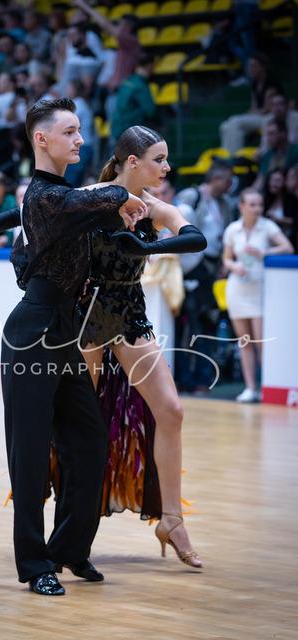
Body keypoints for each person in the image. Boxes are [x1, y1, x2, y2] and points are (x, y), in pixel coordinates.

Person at [0, 97, 147, 596]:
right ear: (41, 139)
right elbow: (80, 202)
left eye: (80, 130)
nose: (80, 139)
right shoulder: (46, 196)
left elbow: (12, 216)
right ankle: (34, 562)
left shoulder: (59, 196)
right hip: (31, 333)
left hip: (64, 332)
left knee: (89, 440)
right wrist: (120, 195)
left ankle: (68, 549)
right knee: (28, 452)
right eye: (69, 132)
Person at [77, 126, 206, 568]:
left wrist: (147, 241)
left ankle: (171, 519)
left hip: (129, 312)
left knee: (171, 410)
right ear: (132, 162)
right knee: (80, 420)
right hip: (85, 315)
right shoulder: (90, 197)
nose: (167, 166)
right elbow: (34, 222)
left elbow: (196, 238)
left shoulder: (155, 207)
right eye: (159, 159)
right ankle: (73, 526)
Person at [222, 187, 293, 402]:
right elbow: (226, 259)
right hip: (237, 288)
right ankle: (250, 388)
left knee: (262, 341)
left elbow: (288, 248)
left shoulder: (267, 226)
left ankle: (267, 386)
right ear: (241, 207)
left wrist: (264, 253)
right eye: (252, 205)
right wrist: (234, 266)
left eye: (260, 204)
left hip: (260, 289)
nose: (257, 209)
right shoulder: (233, 230)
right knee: (244, 341)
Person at [175, 163, 235, 394]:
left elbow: (224, 235)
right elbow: (180, 229)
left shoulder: (224, 202)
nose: (230, 185)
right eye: (227, 180)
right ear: (216, 178)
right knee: (189, 325)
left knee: (206, 323)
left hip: (213, 267)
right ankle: (187, 379)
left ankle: (203, 378)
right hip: (190, 266)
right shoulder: (192, 196)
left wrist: (223, 264)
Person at [219, 53, 283, 155]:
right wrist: (247, 114)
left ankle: (233, 158)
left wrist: (250, 115)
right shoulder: (255, 84)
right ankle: (226, 156)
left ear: (262, 67)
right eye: (249, 66)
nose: (250, 69)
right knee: (225, 126)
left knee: (236, 122)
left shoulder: (270, 83)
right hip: (259, 116)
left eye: (254, 66)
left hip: (269, 116)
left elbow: (267, 108)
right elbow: (254, 107)